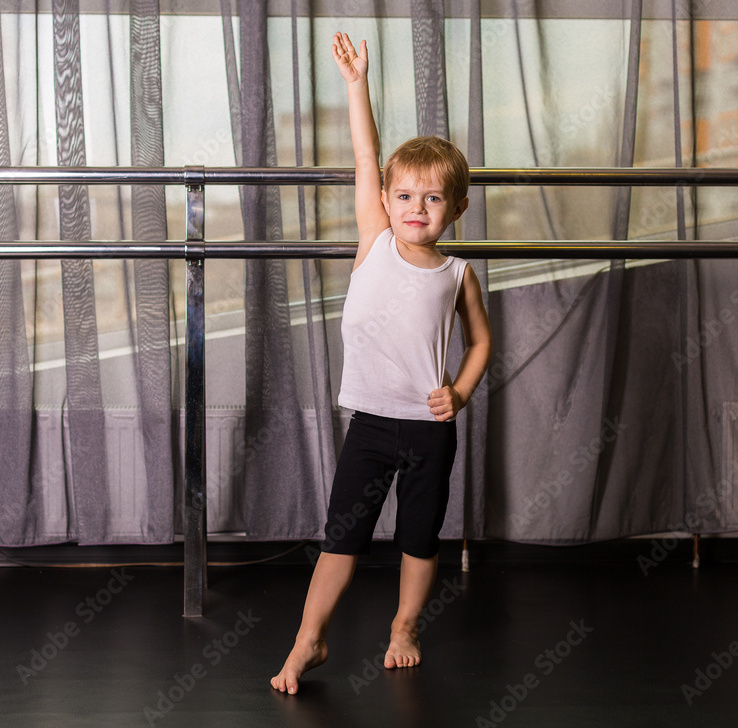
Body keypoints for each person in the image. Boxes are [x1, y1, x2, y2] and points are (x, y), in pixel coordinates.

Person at [270, 32, 493, 696]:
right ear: (388, 203)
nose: (414, 209)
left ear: (455, 208)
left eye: (430, 199)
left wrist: (460, 390)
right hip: (371, 423)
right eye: (404, 197)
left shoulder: (458, 274)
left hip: (428, 429)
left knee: (419, 539)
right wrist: (355, 83)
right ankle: (310, 639)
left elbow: (481, 342)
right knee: (343, 537)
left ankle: (404, 626)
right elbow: (368, 156)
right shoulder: (375, 242)